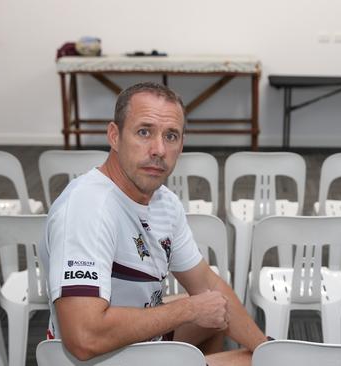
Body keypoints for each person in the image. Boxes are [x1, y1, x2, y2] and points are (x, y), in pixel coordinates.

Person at [40, 82, 267, 365]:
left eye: (171, 136)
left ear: (181, 144)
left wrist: (266, 347)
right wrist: (187, 310)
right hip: (93, 356)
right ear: (114, 135)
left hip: (133, 345)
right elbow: (84, 338)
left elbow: (207, 283)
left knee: (216, 313)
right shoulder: (88, 208)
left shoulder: (164, 202)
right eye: (144, 132)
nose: (159, 149)